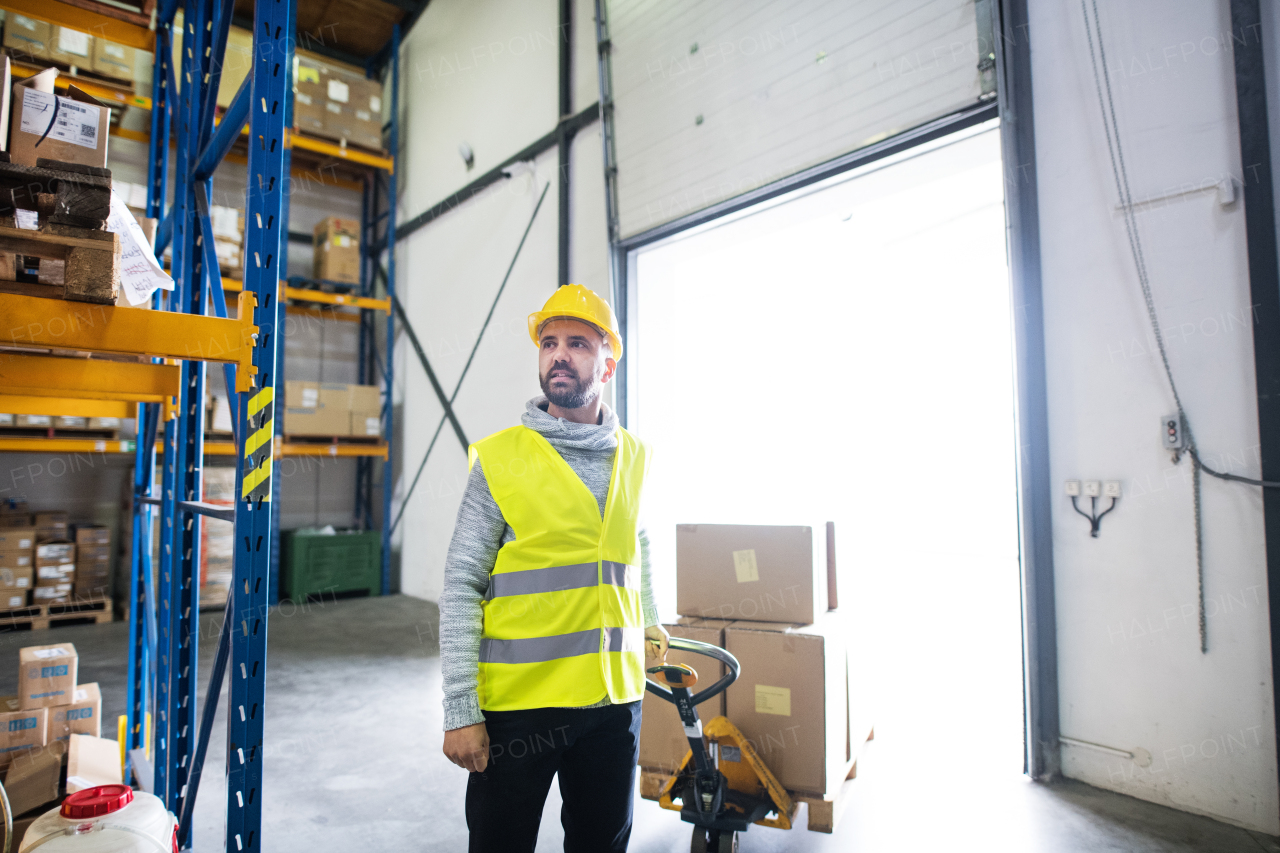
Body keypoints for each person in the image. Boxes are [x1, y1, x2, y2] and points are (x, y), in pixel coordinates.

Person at [439, 284, 670, 853]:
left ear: (608, 364)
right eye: (548, 343)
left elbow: (633, 546)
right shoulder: (501, 458)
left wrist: (651, 624)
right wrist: (461, 711)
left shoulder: (633, 457)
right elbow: (462, 583)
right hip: (520, 711)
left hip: (614, 706)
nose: (559, 354)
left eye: (578, 343)